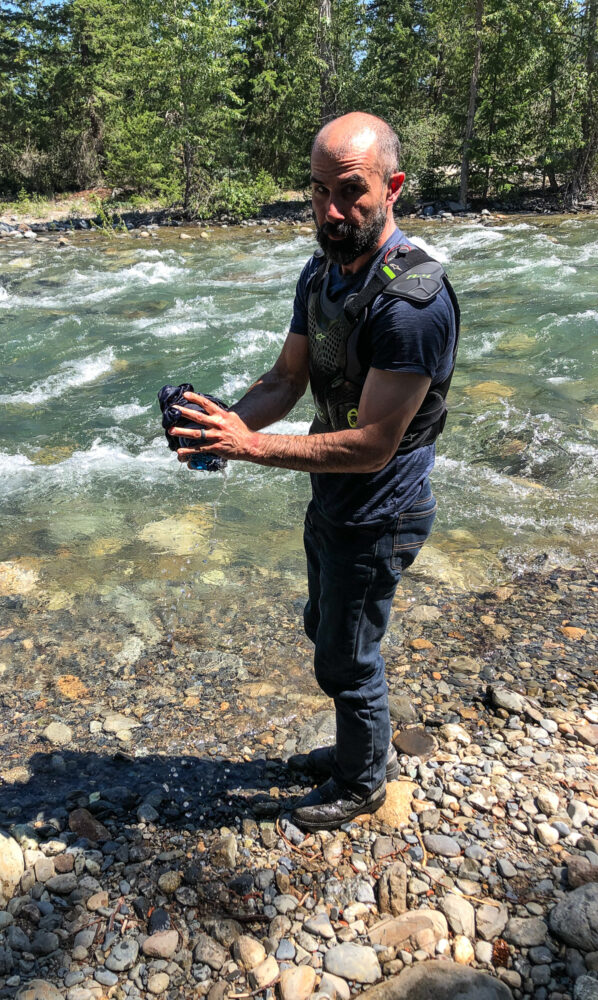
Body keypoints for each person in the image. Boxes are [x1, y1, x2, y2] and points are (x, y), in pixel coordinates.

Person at [168, 111, 459, 831]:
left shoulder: (413, 306)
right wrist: (221, 423)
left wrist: (252, 448)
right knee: (326, 630)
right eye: (318, 191)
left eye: (350, 191)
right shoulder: (322, 273)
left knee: (347, 655)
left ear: (392, 187)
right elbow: (285, 381)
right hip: (332, 496)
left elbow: (371, 445)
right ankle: (357, 752)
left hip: (382, 505)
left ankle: (362, 781)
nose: (331, 210)